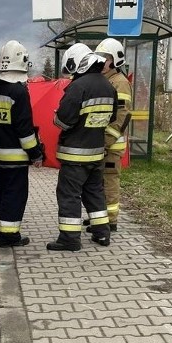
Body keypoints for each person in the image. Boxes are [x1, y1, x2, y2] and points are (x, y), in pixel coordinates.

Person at [47, 43, 117, 252]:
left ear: (77, 63)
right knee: (95, 193)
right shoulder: (108, 85)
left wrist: (55, 117)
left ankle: (69, 239)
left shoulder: (78, 87)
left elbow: (64, 121)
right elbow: (111, 118)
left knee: (69, 195)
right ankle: (102, 234)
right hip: (96, 153)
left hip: (75, 155)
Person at [0, 40, 43, 248]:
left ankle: (3, 227)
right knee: (15, 195)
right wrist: (36, 153)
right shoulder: (18, 92)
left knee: (1, 192)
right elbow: (24, 129)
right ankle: (9, 236)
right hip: (16, 157)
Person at [94, 38, 133, 232]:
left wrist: (105, 141)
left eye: (106, 58)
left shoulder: (120, 83)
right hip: (102, 142)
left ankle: (110, 220)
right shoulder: (106, 80)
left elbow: (121, 116)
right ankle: (100, 218)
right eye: (99, 58)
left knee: (109, 181)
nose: (102, 62)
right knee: (98, 182)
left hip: (111, 144)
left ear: (116, 60)